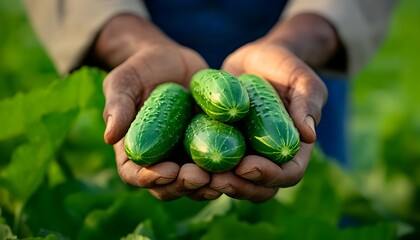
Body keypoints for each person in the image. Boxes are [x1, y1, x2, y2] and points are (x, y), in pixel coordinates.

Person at [24, 0, 396, 202]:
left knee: (317, 199)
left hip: (292, 50)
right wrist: (131, 42)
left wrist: (302, 38)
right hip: (147, 19)